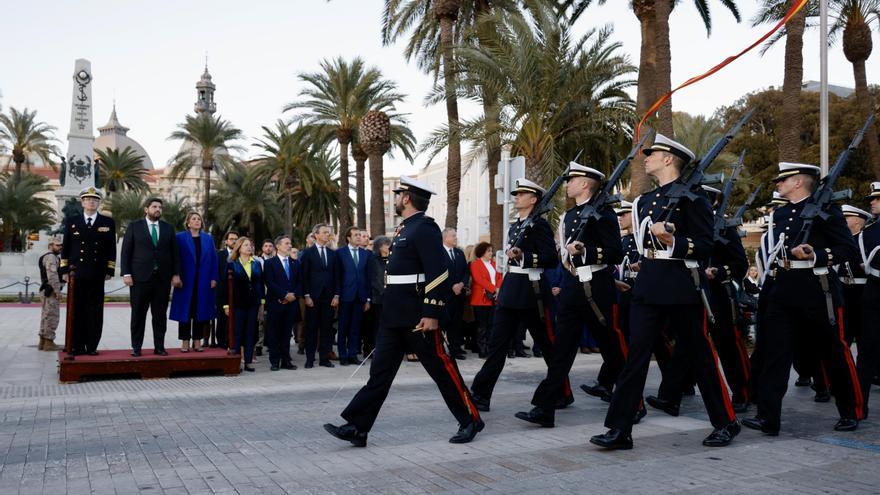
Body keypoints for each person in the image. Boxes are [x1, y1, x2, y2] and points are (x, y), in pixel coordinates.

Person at [591, 134, 739, 450]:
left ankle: (726, 422)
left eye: (653, 153)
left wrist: (674, 240)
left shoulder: (695, 199)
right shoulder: (644, 201)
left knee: (701, 357)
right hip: (649, 285)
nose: (646, 158)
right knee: (636, 358)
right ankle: (620, 429)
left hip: (681, 285)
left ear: (669, 159)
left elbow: (704, 245)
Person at [324, 176, 483, 447]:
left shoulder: (424, 229)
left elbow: (439, 272)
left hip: (417, 317)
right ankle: (358, 427)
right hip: (393, 315)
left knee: (441, 370)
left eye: (398, 195)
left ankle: (470, 419)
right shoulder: (405, 228)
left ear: (407, 199)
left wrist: (431, 312)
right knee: (380, 374)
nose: (396, 199)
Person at [743, 162, 863, 436]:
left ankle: (851, 411)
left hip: (817, 289)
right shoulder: (780, 214)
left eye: (783, 180)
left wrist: (816, 254)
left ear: (798, 182)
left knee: (834, 352)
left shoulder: (827, 211)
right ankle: (767, 417)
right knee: (776, 354)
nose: (778, 184)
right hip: (783, 288)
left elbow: (849, 251)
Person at [517, 164, 625, 427]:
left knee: (612, 349)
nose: (568, 183)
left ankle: (632, 403)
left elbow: (615, 252)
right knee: (561, 350)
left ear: (586, 183)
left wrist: (585, 249)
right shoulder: (567, 216)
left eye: (572, 179)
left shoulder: (604, 214)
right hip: (572, 286)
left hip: (597, 286)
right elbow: (563, 256)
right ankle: (545, 408)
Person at [471, 178, 568, 413]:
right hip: (512, 288)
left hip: (533, 290)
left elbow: (550, 258)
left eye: (521, 194)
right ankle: (481, 394)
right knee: (497, 345)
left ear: (534, 199)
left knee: (547, 345)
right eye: (516, 194)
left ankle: (562, 392)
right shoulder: (515, 226)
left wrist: (523, 255)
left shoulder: (540, 226)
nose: (516, 197)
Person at [121, 197, 182, 357]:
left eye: (160, 207)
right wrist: (126, 273)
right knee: (138, 315)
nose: (158, 209)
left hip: (162, 279)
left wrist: (175, 274)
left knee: (160, 315)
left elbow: (175, 253)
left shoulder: (168, 228)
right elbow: (126, 251)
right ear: (146, 209)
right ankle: (136, 347)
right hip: (140, 278)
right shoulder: (134, 227)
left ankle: (159, 347)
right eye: (154, 206)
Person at [59, 187, 117, 355]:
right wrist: (63, 270)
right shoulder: (72, 221)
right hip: (76, 274)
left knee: (95, 311)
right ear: (82, 202)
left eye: (95, 200)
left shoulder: (107, 222)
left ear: (99, 203)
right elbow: (66, 247)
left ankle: (91, 346)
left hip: (97, 273)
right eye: (88, 199)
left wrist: (110, 270)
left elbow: (111, 249)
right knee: (76, 310)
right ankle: (76, 345)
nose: (91, 202)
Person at [169, 211, 217, 353]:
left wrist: (214, 278)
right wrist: (174, 275)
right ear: (188, 223)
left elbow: (214, 259)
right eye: (194, 219)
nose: (197, 221)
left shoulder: (208, 239)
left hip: (203, 281)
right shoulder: (180, 238)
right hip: (185, 281)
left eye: (199, 219)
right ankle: (185, 341)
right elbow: (174, 258)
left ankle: (197, 341)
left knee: (200, 310)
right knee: (185, 311)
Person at [301, 223, 340, 368]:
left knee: (327, 329)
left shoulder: (332, 254)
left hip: (329, 298)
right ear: (316, 235)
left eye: (328, 233)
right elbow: (303, 276)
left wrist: (336, 295)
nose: (327, 235)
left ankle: (324, 358)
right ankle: (310, 359)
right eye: (324, 232)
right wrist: (306, 295)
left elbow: (337, 275)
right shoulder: (308, 253)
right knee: (311, 328)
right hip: (313, 297)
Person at [856, 182, 880, 415]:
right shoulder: (870, 232)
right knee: (867, 349)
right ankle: (859, 405)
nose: (872, 202)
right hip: (875, 290)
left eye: (877, 198)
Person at [224, 237, 264, 372]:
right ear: (239, 248)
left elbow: (260, 284)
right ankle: (236, 361)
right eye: (246, 245)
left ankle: (247, 361)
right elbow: (225, 286)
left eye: (250, 245)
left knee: (250, 332)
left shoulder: (256, 263)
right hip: (237, 303)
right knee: (237, 333)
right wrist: (226, 305)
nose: (249, 247)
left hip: (253, 303)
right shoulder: (231, 263)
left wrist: (262, 302)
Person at [263, 234, 302, 371]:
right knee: (274, 333)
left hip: (291, 304)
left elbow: (299, 282)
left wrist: (293, 295)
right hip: (276, 303)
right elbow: (270, 282)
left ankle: (286, 360)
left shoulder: (295, 263)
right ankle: (275, 361)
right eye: (286, 243)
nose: (289, 246)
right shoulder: (269, 263)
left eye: (290, 243)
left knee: (286, 334)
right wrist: (284, 295)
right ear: (278, 246)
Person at [337, 227, 372, 366]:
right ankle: (343, 356)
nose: (359, 237)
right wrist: (337, 295)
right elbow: (337, 276)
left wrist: (368, 298)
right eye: (356, 235)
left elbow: (368, 277)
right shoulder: (340, 253)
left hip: (360, 297)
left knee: (355, 328)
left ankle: (353, 355)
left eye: (360, 235)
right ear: (348, 238)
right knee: (343, 327)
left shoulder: (366, 254)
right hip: (345, 296)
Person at [839, 205, 871, 345]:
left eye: (846, 217)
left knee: (864, 336)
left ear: (858, 221)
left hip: (862, 292)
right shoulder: (841, 241)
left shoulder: (866, 240)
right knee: (844, 336)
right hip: (843, 291)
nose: (842, 220)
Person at [469, 242, 502, 358]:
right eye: (488, 251)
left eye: (491, 250)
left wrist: (497, 290)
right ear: (482, 252)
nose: (491, 253)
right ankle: (482, 350)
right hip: (481, 299)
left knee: (491, 325)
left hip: (493, 298)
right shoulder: (475, 264)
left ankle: (489, 348)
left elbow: (499, 277)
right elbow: (479, 280)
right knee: (482, 327)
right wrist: (495, 290)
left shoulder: (494, 263)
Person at [443, 228, 470, 359]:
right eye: (453, 236)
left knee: (457, 323)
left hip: (459, 294)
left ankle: (456, 349)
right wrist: (451, 286)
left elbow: (466, 272)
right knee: (444, 322)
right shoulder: (438, 253)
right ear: (445, 238)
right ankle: (442, 349)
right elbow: (438, 273)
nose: (455, 238)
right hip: (445, 295)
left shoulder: (459, 253)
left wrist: (461, 284)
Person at [364, 236, 392, 358]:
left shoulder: (392, 259)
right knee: (375, 325)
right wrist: (384, 292)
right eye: (387, 245)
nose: (389, 247)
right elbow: (375, 280)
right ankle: (371, 348)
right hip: (377, 298)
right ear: (380, 247)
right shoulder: (373, 259)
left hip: (390, 299)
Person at [213, 230, 239, 349]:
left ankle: (233, 344)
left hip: (238, 293)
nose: (234, 241)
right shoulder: (219, 255)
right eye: (231, 239)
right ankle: (221, 345)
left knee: (236, 320)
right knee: (222, 320)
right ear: (226, 241)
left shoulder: (241, 255)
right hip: (222, 293)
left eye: (235, 239)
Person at [38, 236, 64, 351]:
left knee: (45, 315)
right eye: (57, 245)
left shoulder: (47, 257)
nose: (60, 247)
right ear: (50, 246)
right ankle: (49, 342)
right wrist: (57, 291)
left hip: (46, 290)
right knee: (52, 316)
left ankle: (42, 342)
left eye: (61, 245)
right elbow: (52, 275)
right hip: (51, 290)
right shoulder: (51, 257)